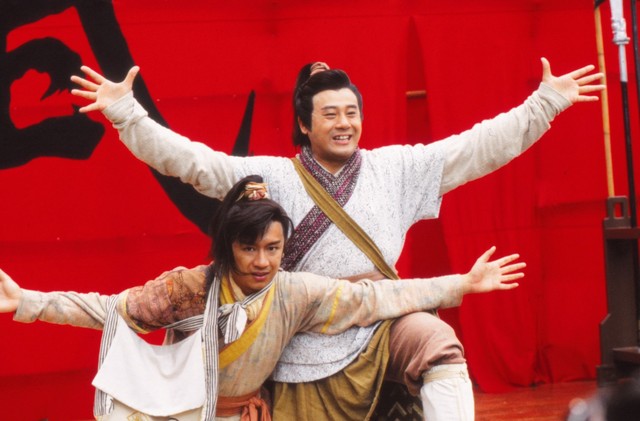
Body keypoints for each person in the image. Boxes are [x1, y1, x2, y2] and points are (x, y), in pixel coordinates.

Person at [69, 58, 604, 420]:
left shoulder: (398, 168)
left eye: (352, 113)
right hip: (302, 333)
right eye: (330, 114)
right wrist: (127, 114)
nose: (344, 123)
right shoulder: (272, 175)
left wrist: (543, 104)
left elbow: (477, 147)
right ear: (305, 125)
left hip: (384, 316)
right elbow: (194, 163)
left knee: (439, 346)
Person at [0, 175, 525, 420]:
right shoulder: (191, 287)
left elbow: (375, 297)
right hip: (175, 412)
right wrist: (25, 302)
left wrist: (460, 284)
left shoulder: (295, 291)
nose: (261, 261)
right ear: (227, 246)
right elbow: (109, 309)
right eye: (248, 248)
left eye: (273, 248)